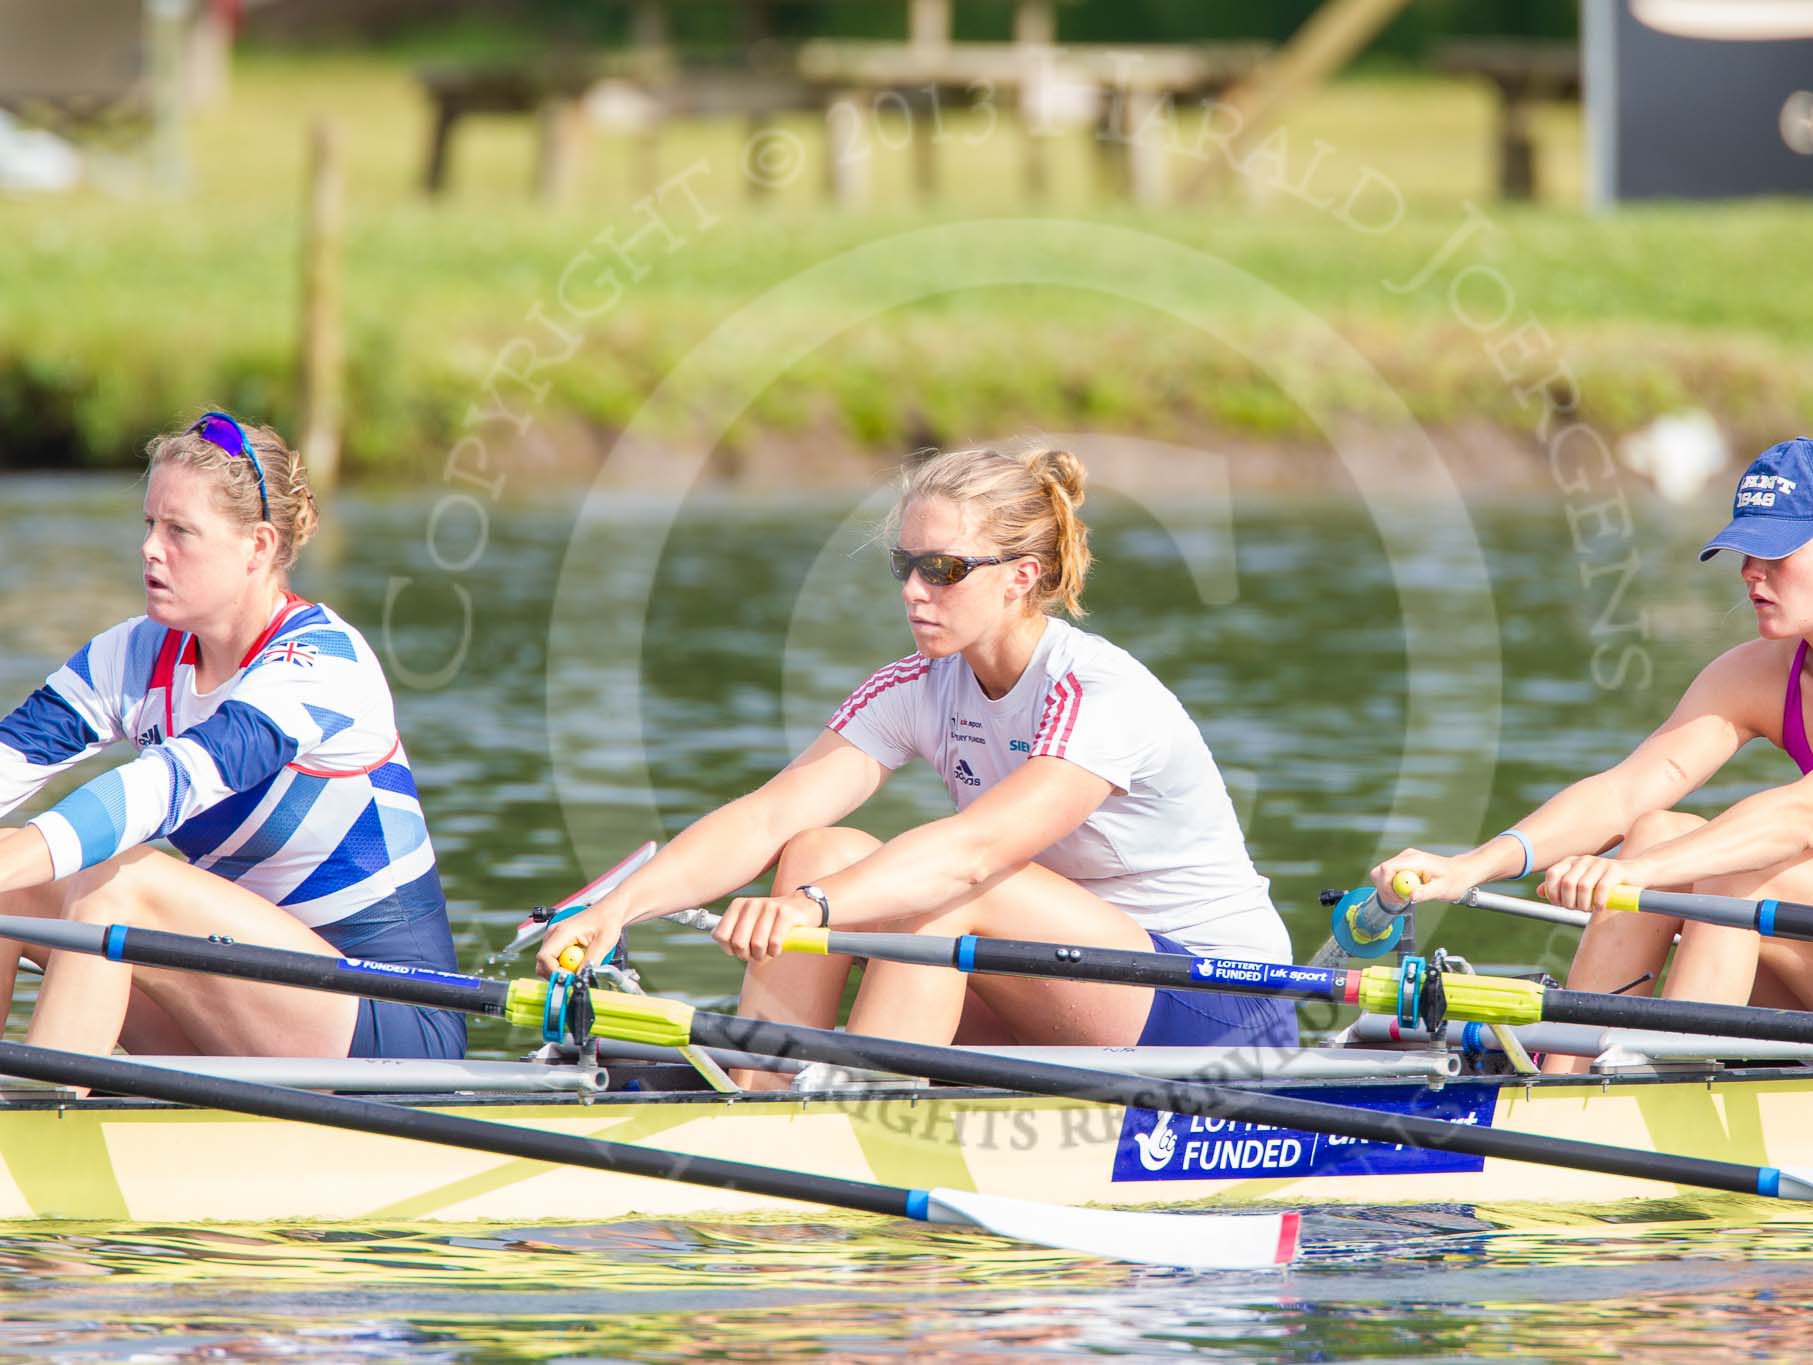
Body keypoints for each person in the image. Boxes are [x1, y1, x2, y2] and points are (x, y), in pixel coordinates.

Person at [539, 446, 1296, 1082]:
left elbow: (973, 856)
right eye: (907, 563)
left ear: (1021, 577)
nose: (912, 590)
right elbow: (771, 813)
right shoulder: (917, 686)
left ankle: (857, 1121)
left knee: (942, 894)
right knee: (818, 848)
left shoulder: (1098, 694)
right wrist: (621, 907)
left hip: (1220, 1007)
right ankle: (759, 1094)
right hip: (1068, 993)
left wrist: (812, 908)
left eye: (943, 569)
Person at [1369, 432, 1813, 1068]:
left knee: (1742, 865)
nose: (1752, 573)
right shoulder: (1762, 672)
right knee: (1657, 828)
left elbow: (1798, 819)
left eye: (1777, 554)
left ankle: (1661, 1087)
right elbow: (1626, 790)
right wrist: (1471, 867)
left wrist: (1638, 875)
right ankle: (1562, 1075)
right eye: (1746, 552)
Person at [0, 411, 464, 1060]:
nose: (150, 548)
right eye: (150, 525)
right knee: (13, 872)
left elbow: (165, 785)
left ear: (259, 547)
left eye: (180, 531)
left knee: (116, 882)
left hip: (393, 1023)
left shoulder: (323, 666)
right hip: (246, 995)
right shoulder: (131, 657)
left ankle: (29, 1143)